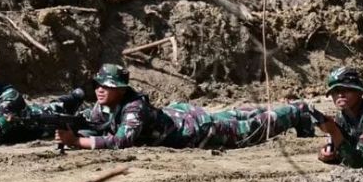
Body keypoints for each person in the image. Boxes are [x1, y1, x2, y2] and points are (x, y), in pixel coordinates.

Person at [54, 64, 317, 151]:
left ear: (121, 90)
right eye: (98, 85)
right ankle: (294, 111)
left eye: (107, 86)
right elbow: (90, 120)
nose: (100, 90)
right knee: (238, 115)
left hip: (199, 131)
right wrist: (68, 126)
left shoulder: (133, 107)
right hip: (185, 116)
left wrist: (76, 141)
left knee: (251, 129)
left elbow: (122, 141)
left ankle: (297, 111)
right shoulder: (105, 105)